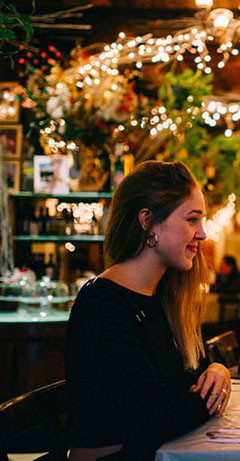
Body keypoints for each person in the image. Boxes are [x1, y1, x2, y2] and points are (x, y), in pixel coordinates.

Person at [65, 161, 231, 459]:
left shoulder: (163, 297)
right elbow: (159, 414)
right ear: (147, 221)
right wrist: (207, 395)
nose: (203, 234)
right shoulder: (103, 304)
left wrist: (218, 371)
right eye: (192, 220)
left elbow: (193, 379)